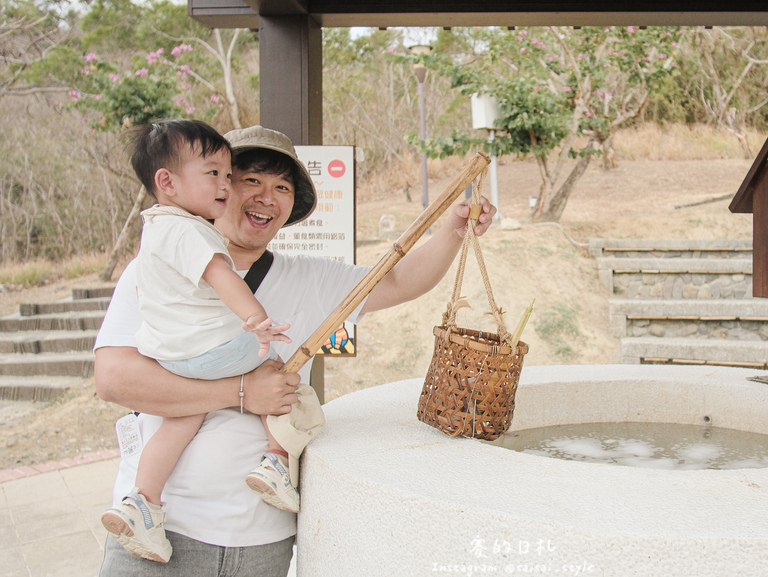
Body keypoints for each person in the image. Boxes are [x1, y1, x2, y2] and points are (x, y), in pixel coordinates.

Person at [94, 125, 495, 576]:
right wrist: (243, 392)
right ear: (220, 188)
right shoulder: (156, 269)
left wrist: (453, 231)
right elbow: (114, 379)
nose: (268, 197)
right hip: (164, 536)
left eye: (282, 187)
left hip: (263, 540)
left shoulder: (311, 278)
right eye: (252, 180)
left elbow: (400, 281)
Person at [99, 120, 307, 564]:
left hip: (175, 359)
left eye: (227, 174)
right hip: (211, 353)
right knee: (279, 372)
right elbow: (223, 277)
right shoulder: (189, 232)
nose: (225, 186)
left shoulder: (155, 232)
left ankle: (142, 502)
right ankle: (275, 461)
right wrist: (257, 323)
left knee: (180, 418)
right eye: (219, 175)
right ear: (167, 182)